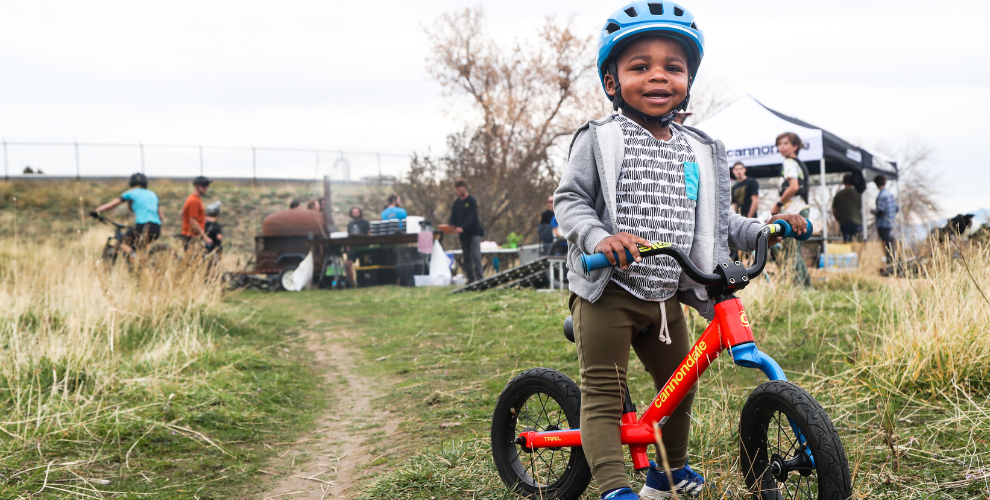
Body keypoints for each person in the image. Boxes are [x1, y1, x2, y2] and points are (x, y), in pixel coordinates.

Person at [554, 4, 807, 499]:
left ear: (688, 81)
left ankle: (666, 474)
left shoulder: (698, 149)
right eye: (640, 66)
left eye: (673, 67)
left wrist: (765, 228)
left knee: (679, 384)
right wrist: (599, 239)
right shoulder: (601, 139)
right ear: (611, 82)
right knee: (604, 393)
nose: (658, 76)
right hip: (609, 288)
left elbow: (715, 220)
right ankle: (613, 487)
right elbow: (571, 200)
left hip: (667, 295)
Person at [769, 131, 812, 288]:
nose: (782, 147)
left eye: (786, 143)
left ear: (795, 146)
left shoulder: (789, 163)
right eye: (779, 144)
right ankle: (807, 286)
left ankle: (796, 287)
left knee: (790, 252)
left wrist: (778, 204)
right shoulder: (797, 163)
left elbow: (793, 187)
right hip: (801, 210)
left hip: (795, 212)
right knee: (795, 251)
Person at [90, 172, 163, 258]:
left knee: (122, 242)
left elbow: (112, 205)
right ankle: (143, 264)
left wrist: (96, 211)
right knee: (142, 246)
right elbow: (160, 216)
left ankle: (134, 257)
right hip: (156, 228)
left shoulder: (130, 193)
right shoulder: (153, 195)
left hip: (142, 226)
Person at [449, 179, 484, 284]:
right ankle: (470, 278)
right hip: (463, 235)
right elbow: (453, 217)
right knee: (466, 256)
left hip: (473, 232)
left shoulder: (471, 201)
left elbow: (472, 217)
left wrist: (463, 227)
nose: (458, 192)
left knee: (476, 255)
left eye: (460, 190)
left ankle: (480, 277)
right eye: (457, 190)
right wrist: (452, 227)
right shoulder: (457, 203)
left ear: (465, 188)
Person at [872, 175, 898, 273]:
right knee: (889, 243)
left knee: (885, 245)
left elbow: (880, 211)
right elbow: (897, 208)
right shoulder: (890, 195)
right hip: (890, 223)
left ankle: (888, 266)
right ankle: (891, 264)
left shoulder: (881, 196)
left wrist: (873, 212)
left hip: (882, 224)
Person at [180, 176, 212, 250]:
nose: (206, 187)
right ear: (196, 186)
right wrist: (205, 237)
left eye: (207, 185)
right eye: (203, 185)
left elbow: (183, 214)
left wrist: (203, 219)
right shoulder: (194, 201)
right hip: (191, 236)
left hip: (193, 236)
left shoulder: (195, 198)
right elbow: (193, 222)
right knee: (193, 261)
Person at [832, 174, 862, 242]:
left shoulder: (838, 195)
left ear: (843, 182)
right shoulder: (857, 193)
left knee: (847, 245)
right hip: (857, 222)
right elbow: (861, 206)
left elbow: (834, 210)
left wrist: (839, 219)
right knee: (860, 245)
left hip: (844, 223)